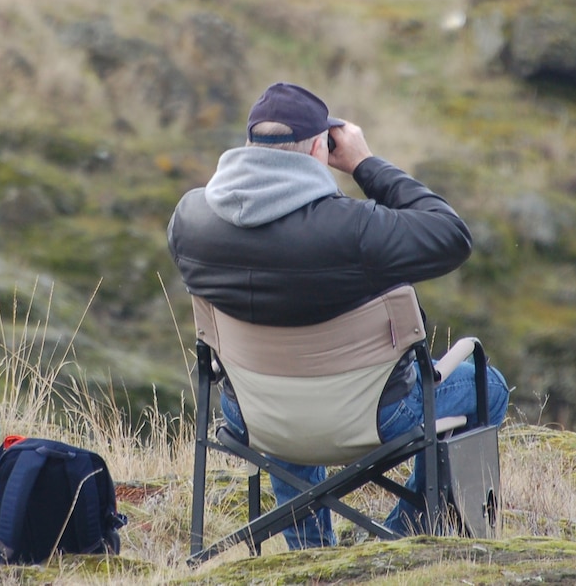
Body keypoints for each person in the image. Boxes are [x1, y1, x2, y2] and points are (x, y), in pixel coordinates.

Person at [167, 82, 510, 549]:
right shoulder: (355, 229)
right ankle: (401, 537)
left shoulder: (190, 219)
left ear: (248, 147)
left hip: (255, 413)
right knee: (488, 385)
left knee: (286, 383)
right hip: (373, 416)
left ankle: (308, 550)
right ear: (317, 147)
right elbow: (451, 235)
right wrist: (365, 164)